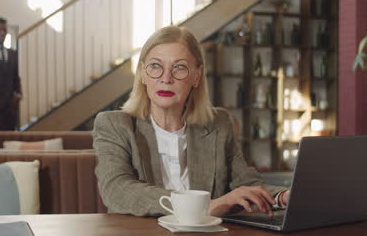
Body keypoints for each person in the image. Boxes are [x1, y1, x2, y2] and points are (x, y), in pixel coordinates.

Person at [93, 26, 290, 217]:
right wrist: (203, 207)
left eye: (179, 68)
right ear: (143, 73)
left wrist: (282, 197)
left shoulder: (218, 123)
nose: (166, 78)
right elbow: (116, 191)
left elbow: (246, 183)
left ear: (196, 76)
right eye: (155, 66)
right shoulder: (115, 124)